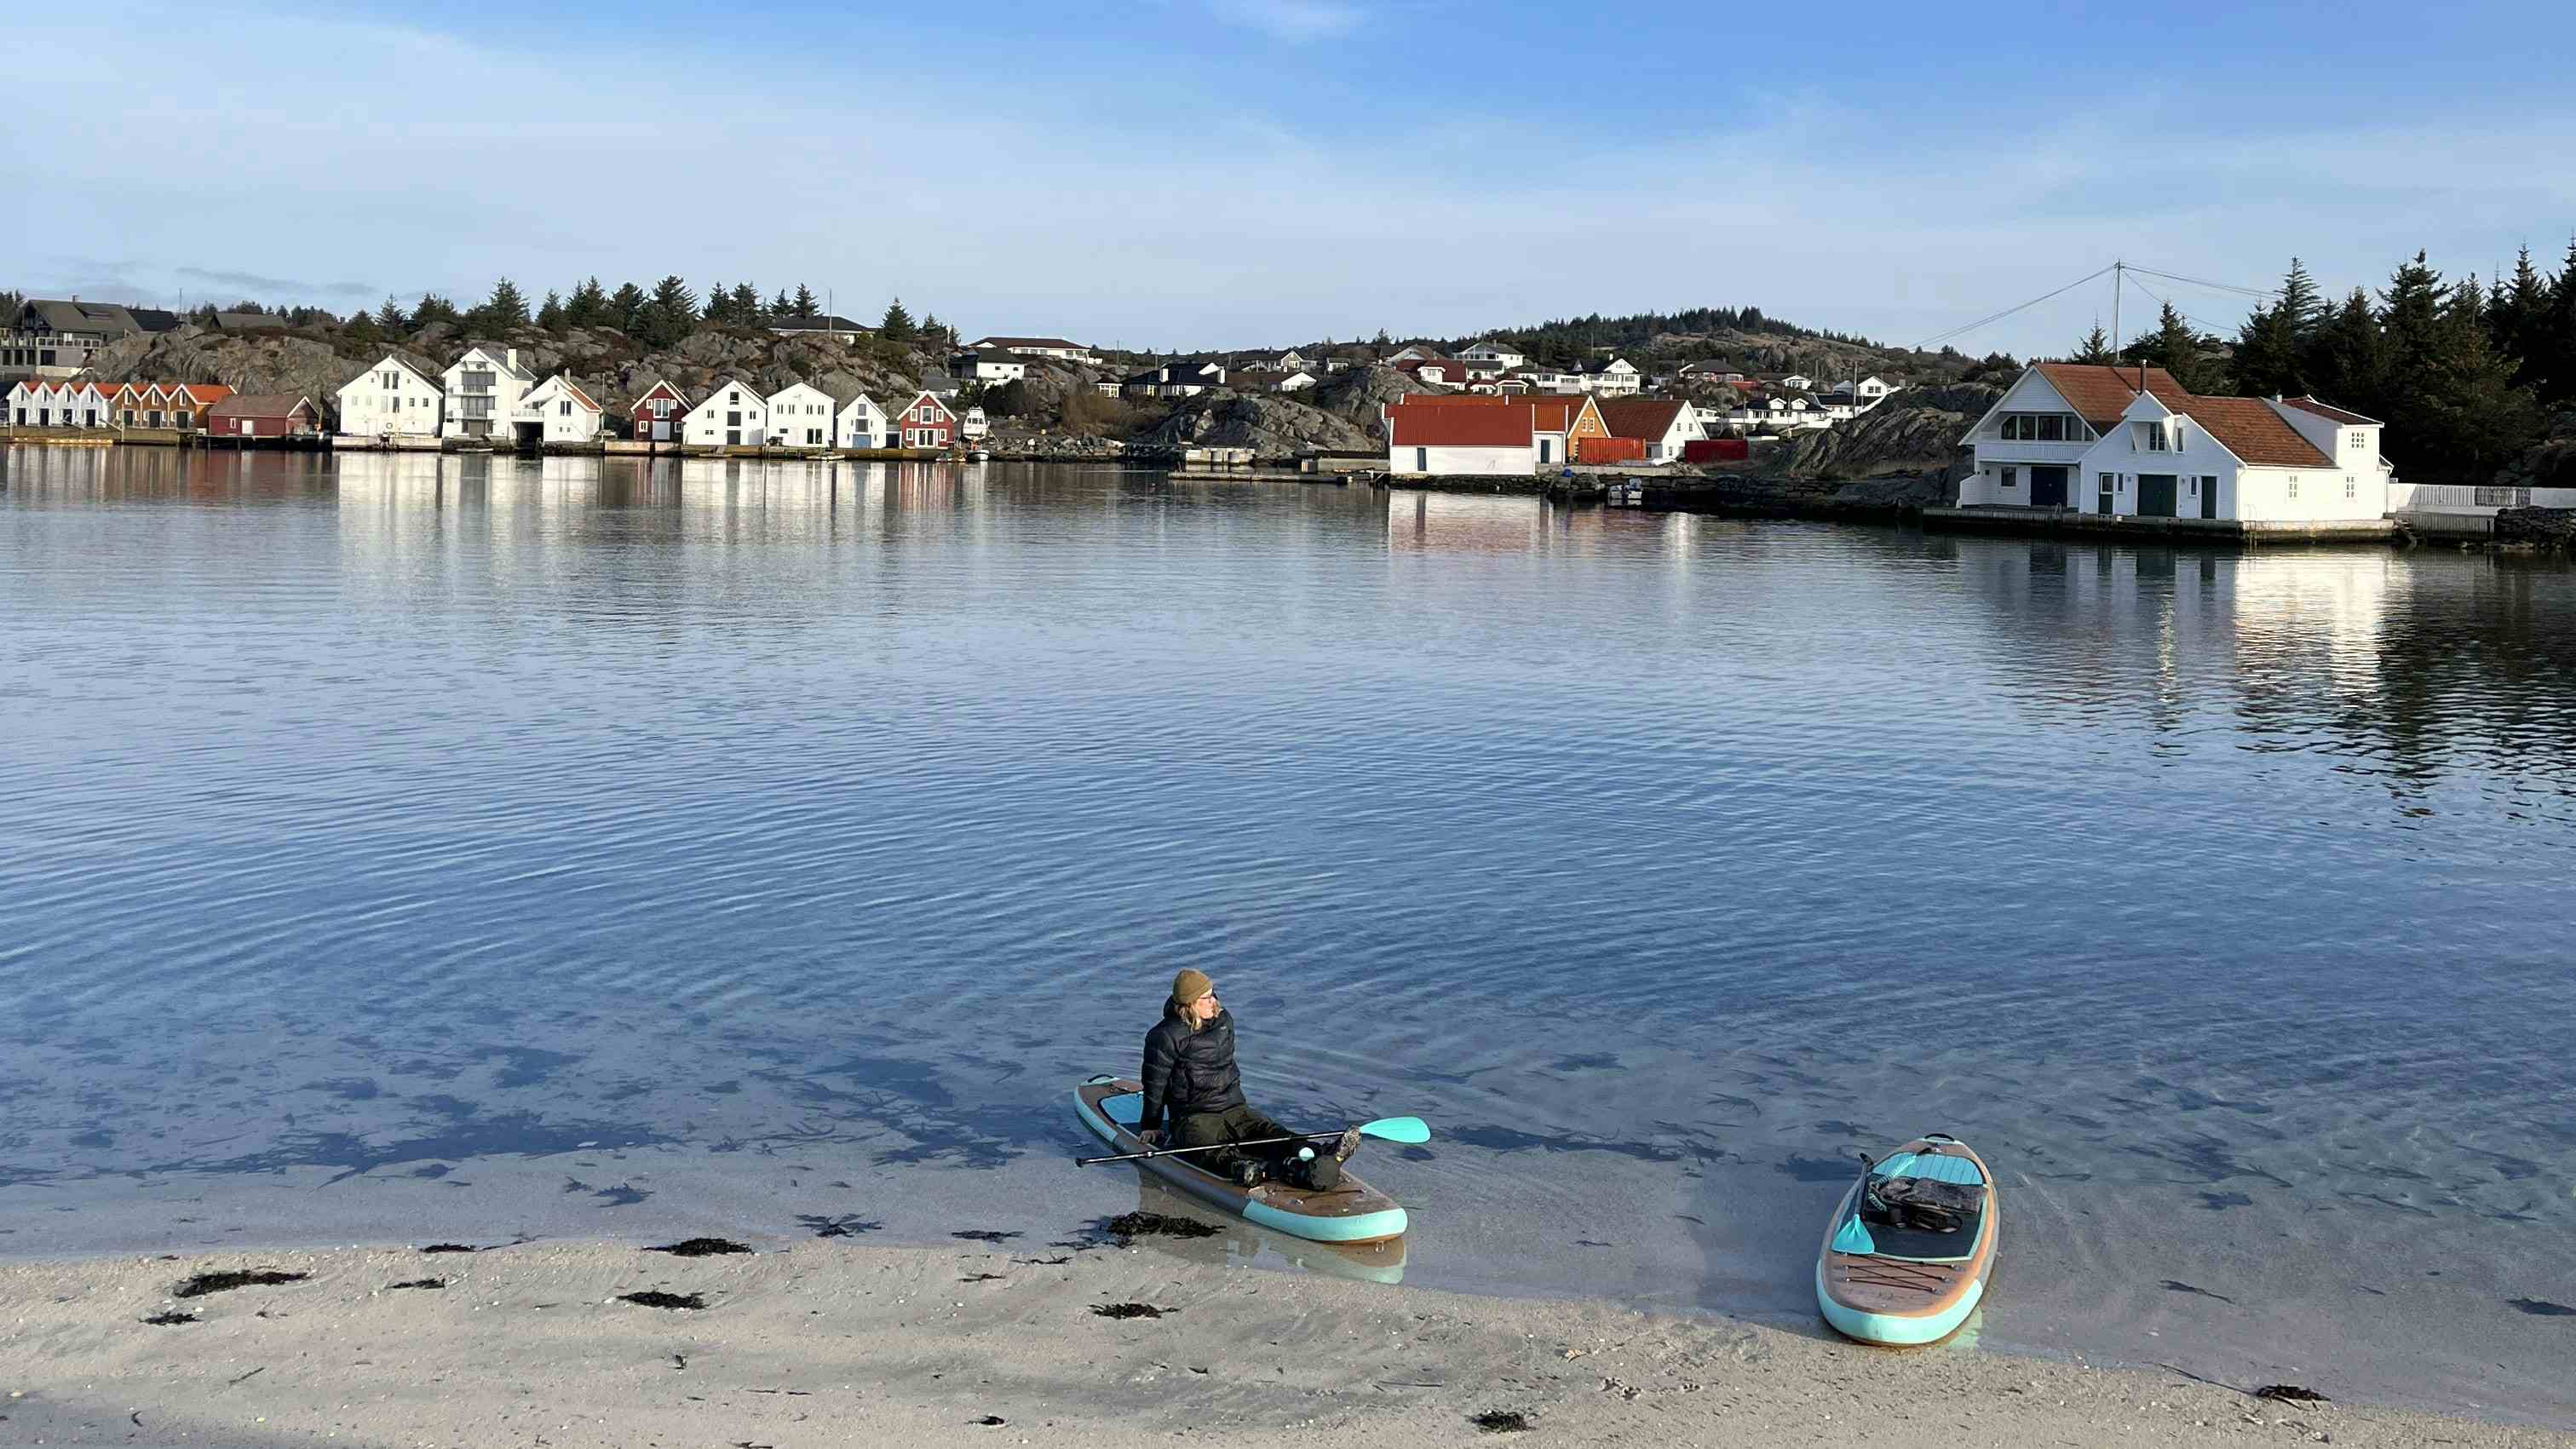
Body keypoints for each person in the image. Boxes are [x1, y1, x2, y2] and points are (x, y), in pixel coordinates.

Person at [1140, 969, 1358, 1190]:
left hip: (1234, 1107)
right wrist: (1151, 1124)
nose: (1214, 1002)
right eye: (1206, 998)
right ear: (1189, 1004)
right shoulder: (1164, 1036)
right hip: (1194, 1116)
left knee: (1268, 1132)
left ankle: (1317, 1152)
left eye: (1213, 994)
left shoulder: (1223, 1021)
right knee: (1206, 1148)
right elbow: (1154, 1083)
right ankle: (1245, 1168)